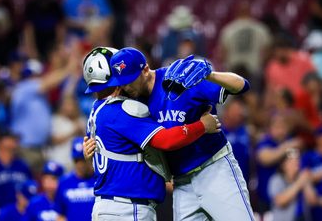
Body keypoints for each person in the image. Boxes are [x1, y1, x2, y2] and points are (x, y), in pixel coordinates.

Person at [83, 47, 254, 220]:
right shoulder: (130, 99)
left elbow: (241, 85)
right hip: (181, 182)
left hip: (213, 168)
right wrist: (93, 148)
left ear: (145, 70)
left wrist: (210, 75)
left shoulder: (178, 79)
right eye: (122, 81)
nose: (126, 86)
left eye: (130, 80)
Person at [54, 137, 96, 221]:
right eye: (77, 160)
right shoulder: (64, 183)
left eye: (83, 159)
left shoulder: (99, 180)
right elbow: (60, 215)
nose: (80, 164)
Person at [268, 148, 311, 221]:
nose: (296, 162)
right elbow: (280, 201)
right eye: (291, 160)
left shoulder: (301, 177)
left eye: (297, 159)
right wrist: (299, 183)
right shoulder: (276, 180)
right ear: (283, 164)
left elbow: (312, 200)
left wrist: (306, 181)